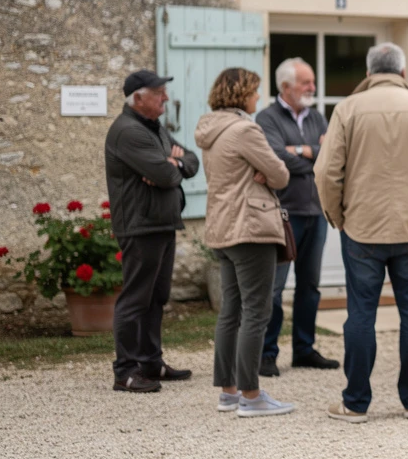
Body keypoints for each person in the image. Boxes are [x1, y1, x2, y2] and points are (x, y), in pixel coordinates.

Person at [315, 43, 408, 423]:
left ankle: (355, 403)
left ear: (369, 73)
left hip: (361, 228)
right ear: (403, 72)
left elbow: (325, 171)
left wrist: (336, 215)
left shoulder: (348, 108)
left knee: (360, 315)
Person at [195, 68, 295, 417]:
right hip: (250, 227)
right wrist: (266, 174)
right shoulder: (244, 130)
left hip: (222, 227)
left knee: (231, 311)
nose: (258, 98)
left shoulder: (210, 130)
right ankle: (251, 395)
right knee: (256, 311)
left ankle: (229, 393)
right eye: (254, 92)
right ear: (241, 94)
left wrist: (262, 173)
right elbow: (281, 174)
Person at [105, 69, 200, 394]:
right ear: (138, 98)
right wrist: (168, 165)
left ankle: (150, 362)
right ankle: (125, 371)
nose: (166, 98)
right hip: (140, 225)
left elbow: (191, 160)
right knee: (136, 298)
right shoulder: (128, 131)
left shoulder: (153, 128)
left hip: (161, 222)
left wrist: (174, 163)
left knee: (156, 297)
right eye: (159, 93)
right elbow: (166, 176)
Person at [256, 57, 337, 377]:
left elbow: (333, 155)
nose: (313, 87)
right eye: (306, 82)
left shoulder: (317, 116)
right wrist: (313, 153)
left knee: (310, 286)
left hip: (316, 212)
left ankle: (304, 349)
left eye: (312, 81)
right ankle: (267, 353)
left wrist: (299, 150)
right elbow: (276, 159)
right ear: (286, 86)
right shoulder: (267, 118)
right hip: (283, 214)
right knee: (274, 289)